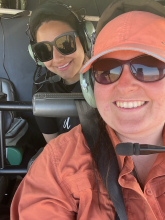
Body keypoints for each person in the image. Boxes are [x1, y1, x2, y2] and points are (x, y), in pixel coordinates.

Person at [10, 0, 165, 219]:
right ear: (91, 83)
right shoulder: (58, 165)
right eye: (107, 70)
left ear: (84, 39)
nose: (126, 86)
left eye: (150, 68)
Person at [29, 0, 94, 143]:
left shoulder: (108, 78)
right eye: (44, 50)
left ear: (84, 38)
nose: (57, 58)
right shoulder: (42, 89)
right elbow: (54, 146)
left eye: (65, 43)